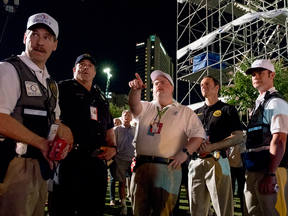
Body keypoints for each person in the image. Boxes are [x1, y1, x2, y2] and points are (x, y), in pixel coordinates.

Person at [0, 13, 73, 216]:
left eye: (47, 37)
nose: (40, 42)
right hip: (13, 165)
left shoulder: (51, 83)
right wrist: (42, 143)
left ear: (55, 45)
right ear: (25, 38)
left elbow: (55, 122)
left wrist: (63, 141)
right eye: (35, 35)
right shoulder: (8, 69)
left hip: (40, 167)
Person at [128, 70, 205, 215]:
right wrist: (135, 90)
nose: (159, 85)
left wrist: (184, 153)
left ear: (172, 88)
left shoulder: (185, 111)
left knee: (164, 212)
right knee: (139, 211)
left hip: (167, 167)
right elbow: (133, 106)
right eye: (156, 83)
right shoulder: (146, 106)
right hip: (141, 167)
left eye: (163, 82)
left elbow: (198, 135)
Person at [50, 53, 117, 216]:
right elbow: (50, 114)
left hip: (97, 163)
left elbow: (109, 126)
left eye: (90, 65)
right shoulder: (62, 89)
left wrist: (113, 148)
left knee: (93, 210)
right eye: (81, 64)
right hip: (71, 160)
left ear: (95, 73)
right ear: (74, 69)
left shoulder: (100, 97)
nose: (86, 67)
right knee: (64, 209)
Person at [189, 76, 243, 216]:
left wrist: (213, 146)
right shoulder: (196, 113)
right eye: (201, 84)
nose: (203, 86)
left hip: (217, 160)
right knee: (196, 209)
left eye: (207, 84)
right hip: (196, 162)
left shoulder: (227, 109)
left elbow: (238, 136)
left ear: (217, 87)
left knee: (223, 209)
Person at [243, 59, 288, 216]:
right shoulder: (259, 103)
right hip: (254, 169)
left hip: (269, 170)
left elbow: (280, 140)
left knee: (271, 212)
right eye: (253, 74)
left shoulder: (275, 102)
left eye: (260, 73)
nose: (256, 77)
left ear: (272, 75)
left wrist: (270, 174)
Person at [110, 110, 135, 215]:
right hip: (120, 159)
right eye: (125, 115)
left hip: (133, 160)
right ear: (121, 117)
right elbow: (111, 142)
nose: (127, 117)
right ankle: (124, 207)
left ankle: (135, 207)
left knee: (135, 184)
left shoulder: (135, 130)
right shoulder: (116, 129)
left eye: (129, 115)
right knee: (122, 183)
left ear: (132, 118)